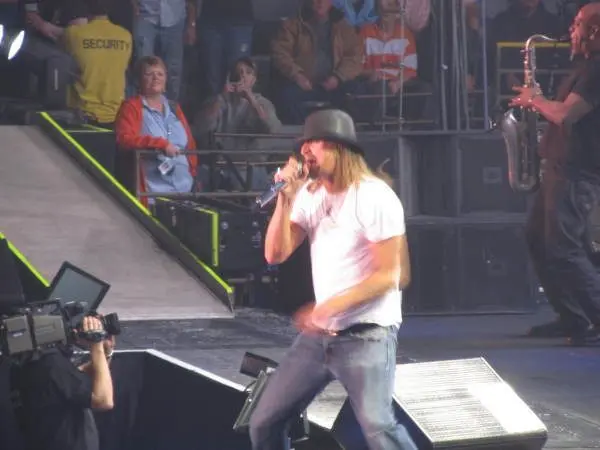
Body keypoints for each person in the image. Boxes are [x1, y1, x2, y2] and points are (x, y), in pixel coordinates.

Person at [248, 109, 416, 450]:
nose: (305, 150)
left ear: (339, 148)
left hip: (366, 335)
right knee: (264, 422)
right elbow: (274, 254)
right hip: (319, 338)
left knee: (379, 428)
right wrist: (285, 197)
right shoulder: (311, 195)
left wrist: (327, 308)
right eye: (304, 143)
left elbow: (391, 275)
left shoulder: (373, 196)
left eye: (314, 142)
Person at [510, 2, 600, 346]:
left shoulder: (597, 70)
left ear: (594, 30)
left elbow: (565, 115)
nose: (571, 31)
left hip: (577, 171)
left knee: (565, 248)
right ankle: (573, 318)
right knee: (539, 240)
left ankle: (593, 317)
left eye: (578, 24)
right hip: (560, 167)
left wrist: (535, 100)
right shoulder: (585, 67)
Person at [13, 315, 114, 450]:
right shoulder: (51, 364)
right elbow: (103, 401)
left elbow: (82, 377)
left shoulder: (41, 362)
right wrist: (96, 345)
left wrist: (105, 352)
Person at [115, 55, 198, 206]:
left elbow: (190, 145)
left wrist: (193, 173)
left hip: (186, 193)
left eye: (160, 74)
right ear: (139, 80)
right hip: (154, 196)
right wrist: (159, 144)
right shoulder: (131, 107)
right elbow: (124, 139)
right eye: (149, 74)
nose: (156, 78)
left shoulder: (174, 107)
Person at [193, 56, 282, 191]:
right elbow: (202, 128)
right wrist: (221, 98)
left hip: (249, 168)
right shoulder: (218, 101)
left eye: (248, 72)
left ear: (254, 79)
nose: (242, 76)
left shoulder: (263, 103)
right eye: (238, 72)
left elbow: (272, 129)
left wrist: (251, 99)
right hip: (220, 167)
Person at [62, 0, 133, 128]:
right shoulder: (125, 35)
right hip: (117, 115)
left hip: (83, 115)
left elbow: (58, 42)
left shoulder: (74, 33)